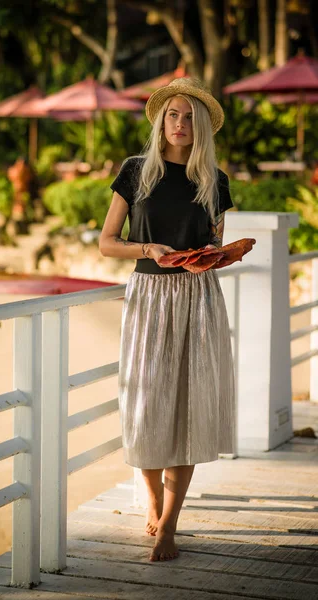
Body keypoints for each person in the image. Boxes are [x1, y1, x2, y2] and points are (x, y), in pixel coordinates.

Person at [99, 77, 236, 563]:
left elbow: (215, 241)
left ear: (202, 127)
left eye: (189, 116)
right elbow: (107, 242)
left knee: (188, 407)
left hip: (198, 297)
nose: (180, 123)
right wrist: (149, 249)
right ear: (161, 121)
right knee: (148, 403)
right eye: (173, 114)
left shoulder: (213, 180)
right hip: (149, 296)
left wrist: (219, 255)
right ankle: (153, 500)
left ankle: (170, 525)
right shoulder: (137, 171)